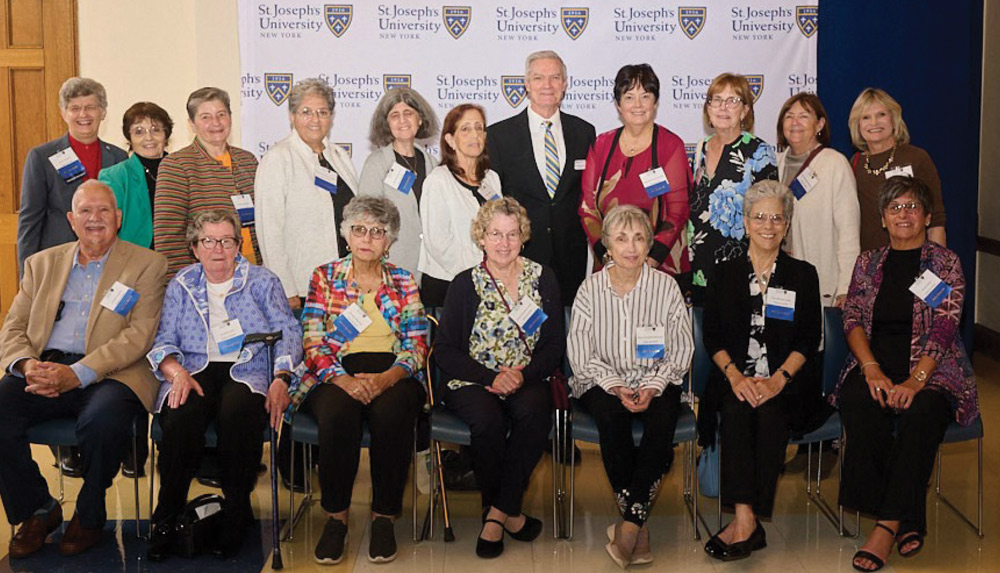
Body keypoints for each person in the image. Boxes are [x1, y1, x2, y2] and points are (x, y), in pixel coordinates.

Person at [0, 180, 166, 558]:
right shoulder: (40, 263)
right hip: (45, 365)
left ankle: (90, 514)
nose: (95, 219)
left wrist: (78, 374)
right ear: (72, 220)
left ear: (118, 218)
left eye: (104, 210)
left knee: (102, 421)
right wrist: (27, 366)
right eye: (86, 212)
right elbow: (12, 326)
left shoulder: (147, 264)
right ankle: (37, 510)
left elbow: (140, 335)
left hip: (114, 371)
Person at [831, 176, 977, 572]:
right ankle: (908, 516)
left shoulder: (944, 263)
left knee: (921, 414)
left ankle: (885, 526)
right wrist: (871, 368)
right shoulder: (869, 262)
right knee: (859, 401)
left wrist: (916, 380)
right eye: (895, 208)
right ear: (882, 218)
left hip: (934, 370)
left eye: (912, 207)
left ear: (927, 216)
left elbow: (946, 325)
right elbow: (853, 317)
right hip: (874, 364)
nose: (904, 214)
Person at [144, 208, 299, 561]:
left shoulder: (262, 281)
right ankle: (166, 515)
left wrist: (281, 377)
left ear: (238, 244)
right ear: (195, 247)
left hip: (248, 366)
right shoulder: (182, 284)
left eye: (227, 241)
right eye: (209, 241)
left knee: (236, 412)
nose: (218, 249)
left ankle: (236, 512)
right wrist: (175, 372)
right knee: (180, 415)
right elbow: (163, 338)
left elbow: (289, 331)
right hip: (194, 366)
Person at [290, 196, 428, 564]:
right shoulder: (324, 276)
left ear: (389, 240)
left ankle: (384, 517)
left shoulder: (403, 280)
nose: (367, 238)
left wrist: (386, 379)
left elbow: (417, 345)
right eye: (358, 230)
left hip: (393, 371)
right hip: (334, 370)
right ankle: (335, 519)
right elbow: (312, 341)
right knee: (338, 416)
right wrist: (343, 380)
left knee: (393, 414)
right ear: (346, 235)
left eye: (377, 232)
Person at [434, 197, 564, 559]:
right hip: (474, 380)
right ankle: (509, 513)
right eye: (495, 234)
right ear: (481, 237)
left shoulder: (544, 278)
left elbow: (554, 346)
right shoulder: (464, 284)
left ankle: (495, 514)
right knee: (487, 421)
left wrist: (523, 375)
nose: (504, 243)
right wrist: (491, 377)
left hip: (527, 377)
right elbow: (444, 351)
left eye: (512, 234)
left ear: (523, 237)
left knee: (535, 412)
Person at [699, 181, 821, 562]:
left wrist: (777, 380)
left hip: (786, 381)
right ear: (746, 222)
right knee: (736, 412)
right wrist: (735, 376)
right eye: (760, 217)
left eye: (777, 218)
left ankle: (746, 522)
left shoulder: (803, 274)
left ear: (786, 226)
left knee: (768, 415)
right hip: (732, 377)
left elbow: (807, 339)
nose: (768, 225)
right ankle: (745, 519)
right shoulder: (725, 272)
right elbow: (712, 334)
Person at [567, 204, 692, 568]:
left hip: (655, 377)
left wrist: (653, 386)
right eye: (621, 239)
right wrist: (615, 386)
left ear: (649, 243)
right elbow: (580, 353)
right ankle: (637, 524)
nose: (631, 247)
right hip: (600, 380)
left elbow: (682, 349)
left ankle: (629, 525)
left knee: (663, 418)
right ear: (606, 245)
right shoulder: (590, 290)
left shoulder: (666, 286)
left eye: (639, 238)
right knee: (611, 417)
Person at [487, 50, 596, 303]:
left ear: (565, 84)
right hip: (521, 254)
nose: (547, 85)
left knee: (568, 332)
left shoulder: (584, 132)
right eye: (538, 78)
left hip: (572, 256)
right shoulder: (499, 136)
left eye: (555, 77)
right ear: (526, 84)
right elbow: (494, 201)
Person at [580, 64, 691, 283]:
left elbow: (677, 211)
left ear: (655, 102)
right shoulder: (601, 144)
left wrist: (648, 260)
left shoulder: (671, 146)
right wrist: (609, 257)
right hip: (609, 267)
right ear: (618, 104)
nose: (637, 105)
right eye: (629, 97)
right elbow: (587, 207)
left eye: (645, 96)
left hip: (659, 267)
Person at [255, 78, 359, 310]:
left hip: (345, 282)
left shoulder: (339, 156)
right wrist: (285, 288)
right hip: (302, 288)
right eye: (306, 112)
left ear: (331, 117)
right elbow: (269, 230)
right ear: (292, 116)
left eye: (322, 112)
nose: (315, 119)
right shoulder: (278, 159)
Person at [17, 78, 128, 274]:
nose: (83, 114)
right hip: (58, 264)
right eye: (74, 108)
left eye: (90, 107)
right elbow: (30, 222)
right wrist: (27, 277)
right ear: (63, 113)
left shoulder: (119, 157)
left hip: (109, 263)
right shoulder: (42, 157)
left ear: (103, 112)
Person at [688, 73, 778, 302]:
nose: (723, 107)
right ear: (708, 108)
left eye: (733, 101)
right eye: (716, 100)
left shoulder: (760, 152)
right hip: (700, 267)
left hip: (742, 269)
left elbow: (770, 216)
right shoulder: (700, 150)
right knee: (704, 336)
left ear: (745, 111)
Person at [154, 87, 260, 278]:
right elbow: (169, 239)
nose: (216, 123)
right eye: (205, 117)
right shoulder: (176, 165)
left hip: (253, 275)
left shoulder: (248, 161)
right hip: (207, 280)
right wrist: (188, 285)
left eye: (221, 114)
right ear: (192, 124)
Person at [776, 92, 860, 308]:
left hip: (820, 276)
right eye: (789, 116)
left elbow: (848, 232)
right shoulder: (774, 164)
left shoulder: (834, 164)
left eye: (804, 116)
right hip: (780, 276)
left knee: (815, 337)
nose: (795, 122)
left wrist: (845, 287)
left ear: (820, 124)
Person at [418, 104, 502, 307]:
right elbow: (438, 242)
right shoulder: (438, 181)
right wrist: (477, 273)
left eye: (479, 128)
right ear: (450, 140)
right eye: (465, 129)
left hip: (489, 281)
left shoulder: (492, 179)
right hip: (449, 285)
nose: (475, 135)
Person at [848, 88, 945, 252]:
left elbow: (936, 220)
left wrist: (938, 269)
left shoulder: (916, 158)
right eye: (866, 117)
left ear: (894, 119)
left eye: (881, 115)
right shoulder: (855, 164)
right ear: (857, 125)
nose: (874, 123)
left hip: (913, 259)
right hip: (871, 265)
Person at [357, 87, 439, 277]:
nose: (402, 120)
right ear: (386, 124)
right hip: (390, 268)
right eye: (395, 115)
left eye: (408, 113)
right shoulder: (376, 163)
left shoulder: (433, 164)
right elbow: (366, 218)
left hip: (431, 269)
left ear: (420, 119)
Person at [98, 102, 173, 249]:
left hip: (179, 260)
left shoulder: (181, 170)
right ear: (129, 138)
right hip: (133, 262)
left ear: (166, 135)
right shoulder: (114, 176)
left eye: (155, 130)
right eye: (139, 131)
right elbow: (106, 228)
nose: (149, 138)